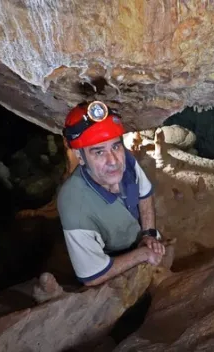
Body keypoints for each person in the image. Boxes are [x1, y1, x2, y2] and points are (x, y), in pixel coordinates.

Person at [57, 101, 165, 286]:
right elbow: (93, 276)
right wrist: (143, 254)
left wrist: (148, 234)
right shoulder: (73, 202)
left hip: (142, 243)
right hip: (113, 270)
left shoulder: (127, 162)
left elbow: (144, 194)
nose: (113, 160)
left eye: (115, 146)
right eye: (99, 152)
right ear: (80, 157)